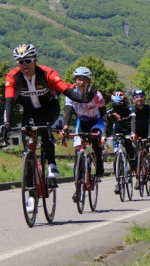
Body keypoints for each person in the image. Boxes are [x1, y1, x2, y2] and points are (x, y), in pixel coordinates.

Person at [0, 44, 95, 184]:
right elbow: (8, 99)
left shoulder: (47, 74)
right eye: (21, 62)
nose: (25, 65)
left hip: (49, 107)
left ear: (35, 59)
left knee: (43, 129)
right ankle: (30, 172)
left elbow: (66, 91)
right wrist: (6, 122)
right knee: (26, 138)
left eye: (28, 61)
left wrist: (85, 98)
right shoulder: (13, 76)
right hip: (29, 109)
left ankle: (52, 165)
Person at [60, 66, 106, 202]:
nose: (81, 82)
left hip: (96, 122)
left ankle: (99, 165)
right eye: (78, 79)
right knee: (77, 154)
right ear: (75, 80)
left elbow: (103, 113)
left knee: (95, 141)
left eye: (84, 79)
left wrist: (103, 132)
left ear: (89, 81)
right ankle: (77, 189)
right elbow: (68, 112)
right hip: (82, 122)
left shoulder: (96, 94)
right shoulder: (70, 94)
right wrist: (66, 127)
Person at [105, 91, 136, 194]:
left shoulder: (129, 110)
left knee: (128, 144)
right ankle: (119, 182)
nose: (117, 106)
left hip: (127, 131)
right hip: (117, 132)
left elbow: (133, 120)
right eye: (115, 103)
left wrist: (132, 132)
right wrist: (104, 135)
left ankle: (132, 161)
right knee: (117, 155)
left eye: (120, 103)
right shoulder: (110, 110)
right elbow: (105, 122)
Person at [131, 89, 150, 185]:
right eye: (137, 97)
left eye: (141, 97)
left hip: (149, 131)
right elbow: (131, 123)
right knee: (135, 154)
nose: (139, 99)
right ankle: (137, 176)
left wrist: (149, 136)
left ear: (144, 98)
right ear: (133, 99)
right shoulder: (132, 110)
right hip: (137, 133)